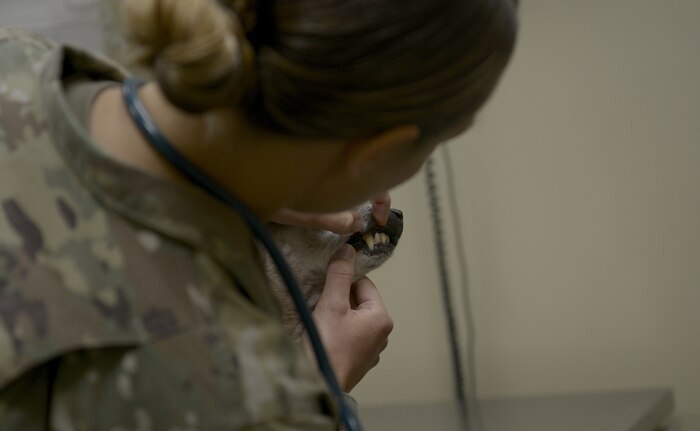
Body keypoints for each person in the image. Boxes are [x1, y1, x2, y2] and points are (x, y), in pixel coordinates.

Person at [0, 0, 517, 428]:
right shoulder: (251, 396)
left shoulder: (16, 58)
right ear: (377, 151)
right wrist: (318, 388)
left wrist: (251, 187)